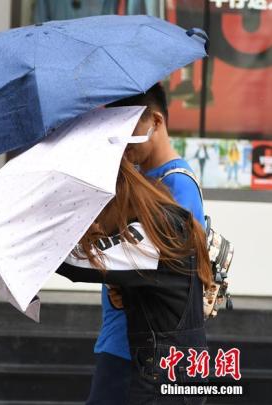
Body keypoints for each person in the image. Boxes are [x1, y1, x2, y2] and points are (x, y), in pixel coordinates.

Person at [83, 83, 205, 404]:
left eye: (128, 128)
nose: (122, 140)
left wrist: (121, 281)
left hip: (141, 350)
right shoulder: (139, 177)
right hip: (122, 339)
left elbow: (173, 271)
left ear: (156, 121)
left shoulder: (177, 184)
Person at [57, 157, 212, 404]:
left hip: (163, 378)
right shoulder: (168, 222)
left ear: (116, 201)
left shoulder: (152, 234)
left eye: (97, 212)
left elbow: (75, 264)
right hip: (177, 372)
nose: (97, 224)